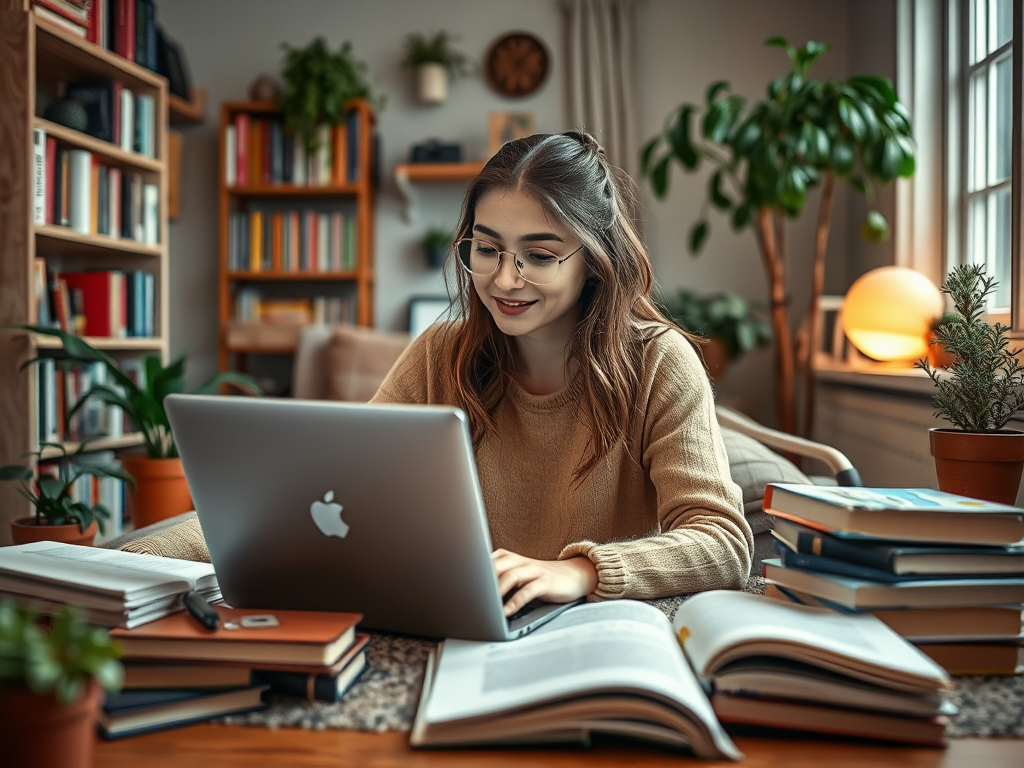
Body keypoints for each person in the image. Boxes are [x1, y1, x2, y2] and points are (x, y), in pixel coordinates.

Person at [371, 131, 752, 617]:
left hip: (596, 629)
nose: (506, 279)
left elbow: (723, 544)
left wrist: (580, 571)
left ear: (594, 260)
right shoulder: (438, 354)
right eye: (487, 249)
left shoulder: (659, 361)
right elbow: (351, 488)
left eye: (540, 256)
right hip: (465, 623)